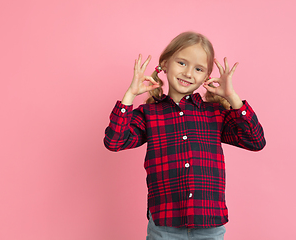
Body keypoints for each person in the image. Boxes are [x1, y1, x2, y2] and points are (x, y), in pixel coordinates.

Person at [104, 32, 266, 240]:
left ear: (206, 76)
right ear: (165, 63)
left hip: (209, 224)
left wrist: (232, 97)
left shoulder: (215, 113)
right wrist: (130, 95)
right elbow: (114, 142)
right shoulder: (148, 114)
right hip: (165, 225)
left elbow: (255, 140)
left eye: (198, 69)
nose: (189, 73)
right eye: (182, 63)